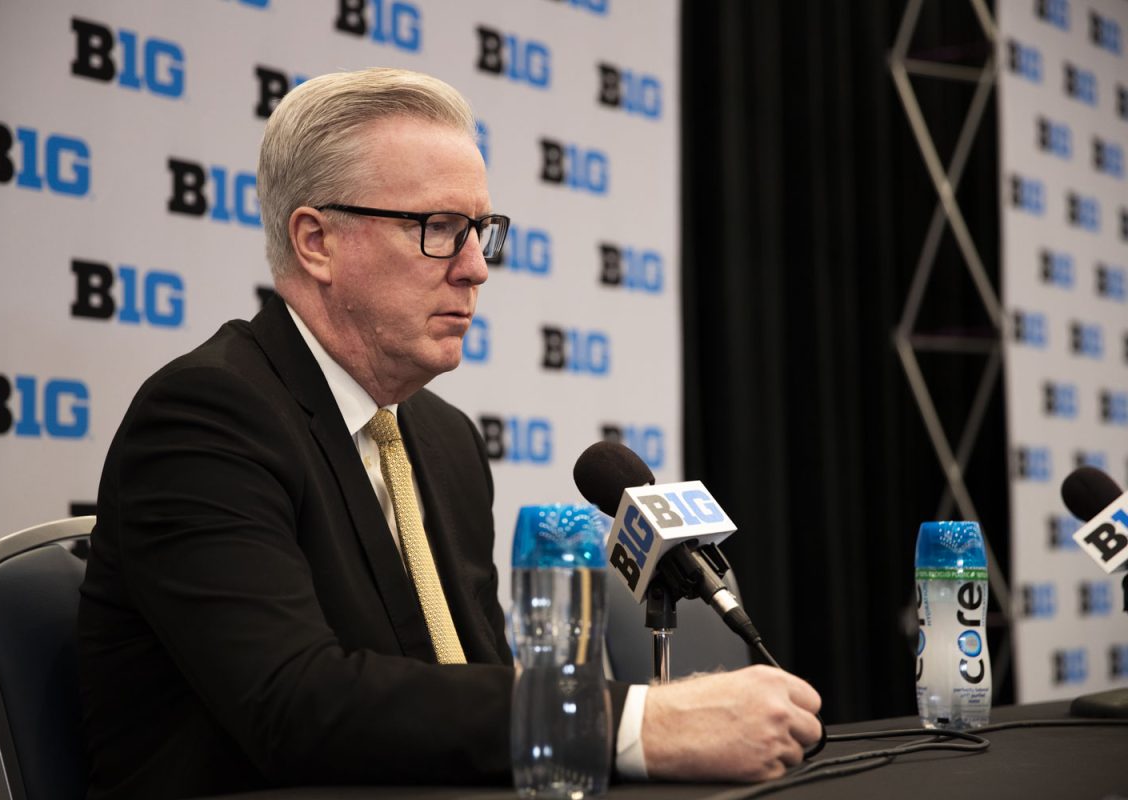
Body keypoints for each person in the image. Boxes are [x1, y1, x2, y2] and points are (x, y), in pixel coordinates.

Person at [76, 67, 821, 800]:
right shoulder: (205, 418)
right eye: (437, 228)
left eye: (480, 231)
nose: (475, 270)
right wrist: (635, 724)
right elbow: (294, 704)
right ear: (316, 241)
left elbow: (470, 686)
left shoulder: (445, 441)